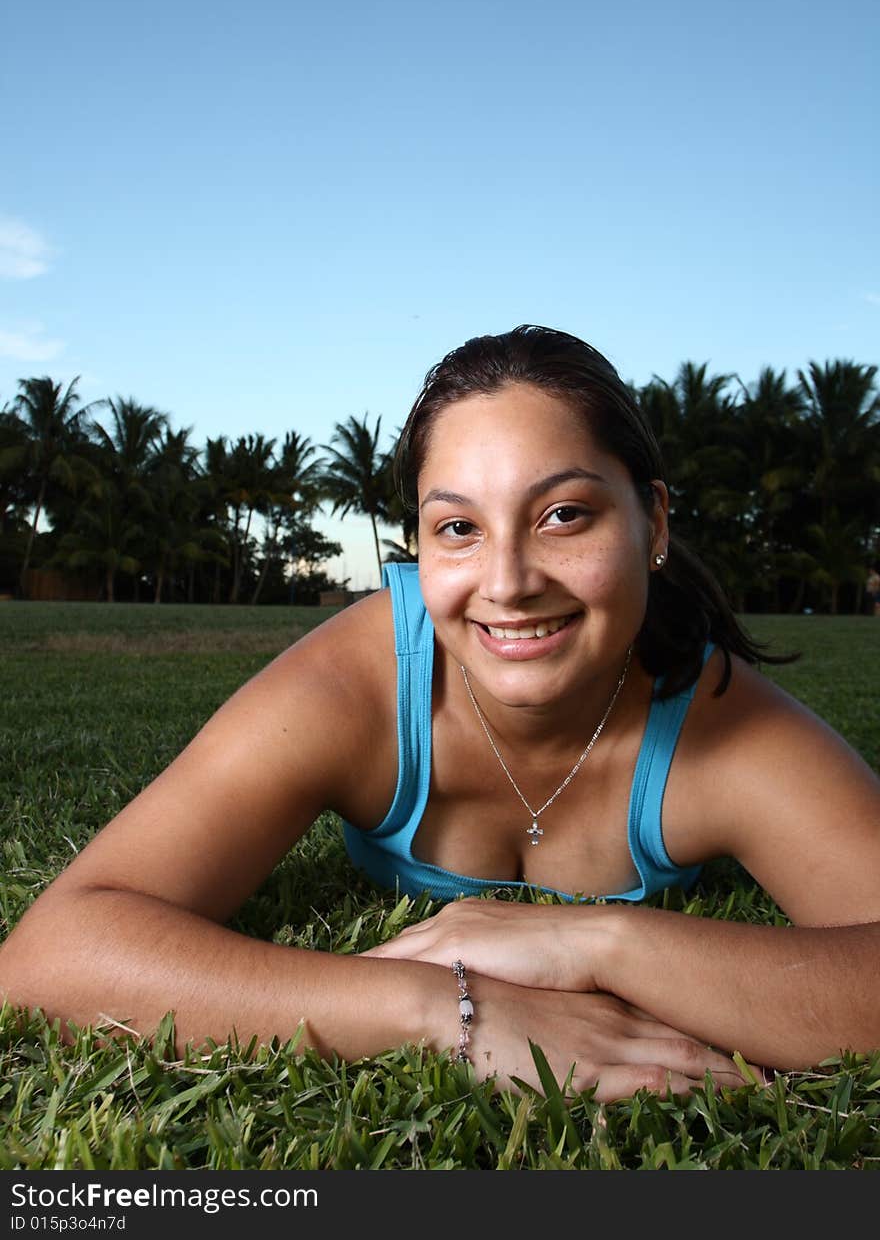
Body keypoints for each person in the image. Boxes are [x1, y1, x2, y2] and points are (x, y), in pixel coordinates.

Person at [2, 325, 880, 1105]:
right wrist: (445, 1010)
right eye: (458, 528)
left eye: (564, 515)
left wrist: (595, 943)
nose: (508, 582)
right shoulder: (358, 686)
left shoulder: (723, 724)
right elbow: (54, 955)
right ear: (419, 542)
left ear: (650, 521)